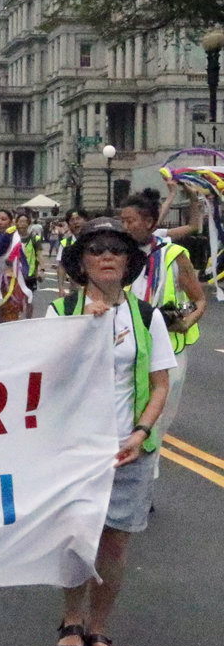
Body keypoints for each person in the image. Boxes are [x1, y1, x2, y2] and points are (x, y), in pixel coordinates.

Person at [47, 219, 174, 646]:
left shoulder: (146, 316)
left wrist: (141, 433)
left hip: (128, 448)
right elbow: (43, 380)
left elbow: (160, 384)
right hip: (76, 449)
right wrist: (84, 328)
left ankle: (98, 626)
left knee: (114, 544)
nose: (106, 256)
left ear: (128, 262)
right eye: (96, 249)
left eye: (116, 250)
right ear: (82, 263)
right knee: (76, 539)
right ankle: (71, 621)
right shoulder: (61, 314)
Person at [118, 189, 205, 450]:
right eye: (122, 220)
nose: (124, 226)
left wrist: (186, 322)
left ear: (148, 222)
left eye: (129, 220)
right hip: (128, 344)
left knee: (158, 417)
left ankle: (148, 466)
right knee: (128, 410)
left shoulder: (173, 254)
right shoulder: (119, 254)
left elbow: (200, 300)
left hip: (167, 348)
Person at [56, 209, 89, 296]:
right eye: (72, 220)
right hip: (75, 289)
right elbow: (61, 266)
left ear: (86, 220)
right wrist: (61, 287)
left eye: (78, 219)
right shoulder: (65, 243)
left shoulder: (94, 240)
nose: (75, 222)